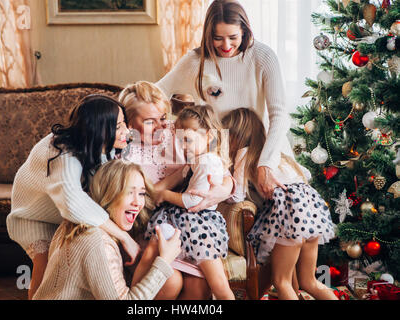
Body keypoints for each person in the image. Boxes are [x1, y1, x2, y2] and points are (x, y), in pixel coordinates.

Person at [6, 94, 140, 299]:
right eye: (119, 126)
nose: (126, 132)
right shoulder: (62, 152)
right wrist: (125, 238)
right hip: (33, 216)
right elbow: (72, 203)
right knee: (45, 270)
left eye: (124, 124)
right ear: (99, 129)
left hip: (62, 213)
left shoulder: (102, 145)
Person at [156, 0, 292, 201]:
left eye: (233, 37)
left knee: (286, 202)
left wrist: (266, 163)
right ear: (207, 34)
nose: (226, 45)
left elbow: (280, 115)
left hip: (261, 150)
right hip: (219, 159)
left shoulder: (263, 57)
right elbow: (157, 92)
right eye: (217, 38)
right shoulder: (195, 62)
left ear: (245, 32)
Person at [119, 81, 235, 299]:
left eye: (163, 118)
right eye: (149, 122)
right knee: (170, 282)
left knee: (198, 288)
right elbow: (140, 199)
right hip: (151, 229)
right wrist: (175, 179)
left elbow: (218, 167)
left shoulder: (179, 130)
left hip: (190, 225)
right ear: (129, 123)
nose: (161, 126)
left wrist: (221, 190)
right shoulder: (124, 152)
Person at [222, 108, 337, 300]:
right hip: (311, 211)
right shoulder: (278, 154)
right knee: (309, 281)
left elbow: (237, 195)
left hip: (290, 213)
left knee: (281, 281)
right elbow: (305, 175)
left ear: (235, 135)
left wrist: (223, 189)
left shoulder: (244, 153)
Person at [33, 160, 181, 300]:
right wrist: (164, 261)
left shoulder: (75, 223)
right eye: (129, 192)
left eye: (141, 193)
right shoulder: (97, 241)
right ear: (109, 194)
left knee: (171, 278)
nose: (138, 202)